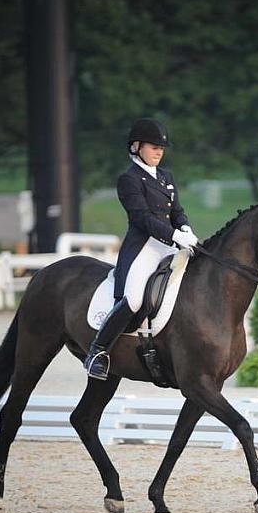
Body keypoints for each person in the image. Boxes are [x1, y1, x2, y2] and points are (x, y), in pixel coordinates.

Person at [84, 118, 198, 380]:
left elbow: (177, 211)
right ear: (136, 147)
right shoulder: (129, 179)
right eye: (153, 146)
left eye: (162, 147)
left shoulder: (166, 176)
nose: (159, 151)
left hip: (170, 244)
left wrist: (186, 229)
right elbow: (142, 218)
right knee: (134, 299)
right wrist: (174, 235)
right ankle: (98, 351)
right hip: (144, 247)